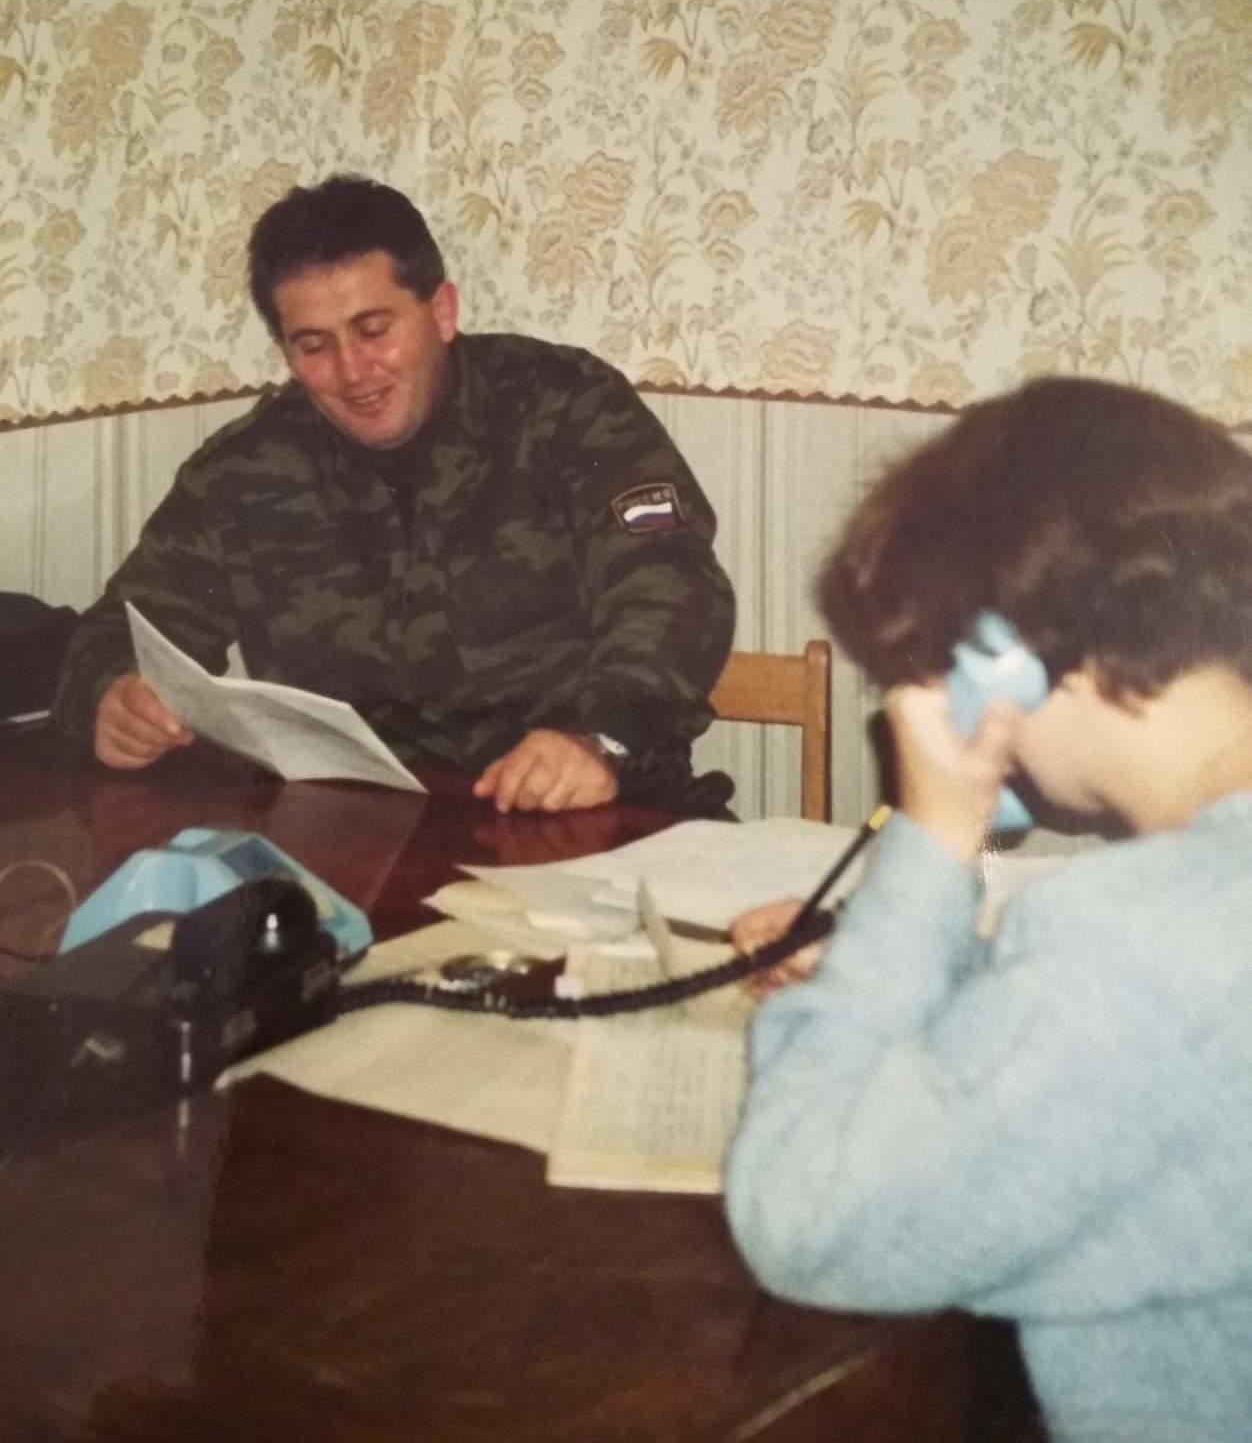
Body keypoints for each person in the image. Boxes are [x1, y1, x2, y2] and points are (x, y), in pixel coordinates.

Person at [723, 376, 1252, 1443]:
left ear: (1002, 659)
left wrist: (932, 834)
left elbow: (803, 1218)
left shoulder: (1141, 947)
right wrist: (911, 965)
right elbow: (1124, 1080)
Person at [54, 175, 735, 814]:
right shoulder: (245, 469)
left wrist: (600, 738)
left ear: (441, 311)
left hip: (594, 813)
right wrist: (111, 695)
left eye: (374, 331)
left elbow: (672, 584)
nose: (352, 372)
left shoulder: (567, 408)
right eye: (313, 346)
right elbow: (123, 629)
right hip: (360, 834)